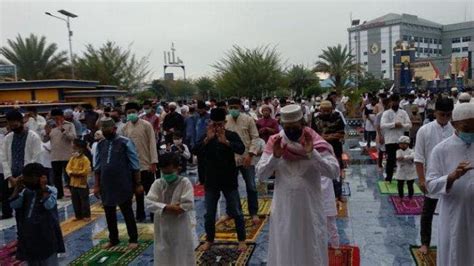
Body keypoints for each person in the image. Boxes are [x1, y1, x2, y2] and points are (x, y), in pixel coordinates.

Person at [256, 104, 340, 266]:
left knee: (311, 249)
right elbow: (261, 175)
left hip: (310, 209)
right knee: (285, 248)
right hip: (284, 210)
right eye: (287, 127)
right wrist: (275, 157)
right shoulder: (276, 142)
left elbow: (333, 172)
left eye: (295, 127)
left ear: (303, 124)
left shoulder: (314, 142)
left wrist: (312, 153)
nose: (291, 131)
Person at [426, 102, 474, 265]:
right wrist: (452, 177)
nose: (471, 132)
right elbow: (430, 185)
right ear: (454, 125)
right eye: (467, 128)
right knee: (454, 255)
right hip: (454, 214)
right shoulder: (441, 150)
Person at [193, 108, 247, 252]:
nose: (217, 127)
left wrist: (227, 142)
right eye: (214, 124)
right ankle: (209, 240)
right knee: (209, 214)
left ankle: (241, 240)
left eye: (220, 124)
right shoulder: (206, 136)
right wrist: (207, 139)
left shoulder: (231, 135)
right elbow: (194, 150)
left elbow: (241, 149)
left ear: (224, 122)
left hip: (229, 180)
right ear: (210, 123)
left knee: (236, 211)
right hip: (211, 181)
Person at [94, 117, 143, 249]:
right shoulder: (100, 144)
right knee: (109, 213)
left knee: (127, 211)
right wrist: (96, 185)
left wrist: (138, 184)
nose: (104, 132)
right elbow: (97, 167)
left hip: (123, 183)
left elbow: (135, 164)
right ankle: (113, 239)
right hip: (106, 184)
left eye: (107, 129)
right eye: (103, 130)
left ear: (114, 129)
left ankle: (133, 239)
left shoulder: (125, 142)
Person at [414, 97, 455, 255]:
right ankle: (425, 242)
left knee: (451, 211)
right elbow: (419, 158)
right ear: (435, 113)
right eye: (441, 114)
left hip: (452, 177)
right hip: (432, 177)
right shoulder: (425, 130)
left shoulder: (455, 129)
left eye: (448, 115)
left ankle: (451, 241)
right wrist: (422, 179)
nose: (445, 118)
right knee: (427, 212)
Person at [145, 153, 196, 266]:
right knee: (164, 253)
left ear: (178, 168)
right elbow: (149, 203)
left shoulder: (185, 183)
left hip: (180, 226)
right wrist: (168, 207)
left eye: (169, 173)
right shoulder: (158, 183)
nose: (166, 175)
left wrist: (164, 207)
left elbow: (187, 204)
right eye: (164, 173)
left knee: (181, 253)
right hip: (162, 226)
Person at [9, 163, 65, 266]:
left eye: (30, 179)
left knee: (49, 261)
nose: (28, 182)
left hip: (46, 235)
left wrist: (43, 188)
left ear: (41, 178)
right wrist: (17, 188)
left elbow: (49, 205)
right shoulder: (25, 191)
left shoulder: (51, 190)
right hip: (29, 236)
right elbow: (14, 204)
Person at [1, 110, 42, 220]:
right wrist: (10, 178)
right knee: (18, 211)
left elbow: (36, 159)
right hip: (13, 180)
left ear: (21, 121)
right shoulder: (8, 139)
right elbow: (4, 159)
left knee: (31, 210)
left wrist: (23, 177)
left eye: (15, 122)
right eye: (10, 123)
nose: (12, 125)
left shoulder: (33, 137)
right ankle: (22, 235)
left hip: (29, 180)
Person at [225, 98, 260, 224]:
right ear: (228, 108)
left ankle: (254, 212)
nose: (233, 109)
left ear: (240, 107)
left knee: (251, 186)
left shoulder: (248, 119)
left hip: (247, 158)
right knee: (231, 187)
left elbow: (255, 138)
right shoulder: (225, 120)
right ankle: (233, 211)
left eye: (235, 107)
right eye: (231, 107)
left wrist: (250, 155)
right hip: (230, 159)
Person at [122, 102, 158, 222]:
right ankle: (140, 215)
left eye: (133, 112)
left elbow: (152, 143)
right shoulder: (125, 128)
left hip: (146, 164)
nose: (131, 114)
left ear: (138, 112)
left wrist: (153, 162)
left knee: (150, 192)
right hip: (133, 166)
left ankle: (154, 215)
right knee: (137, 193)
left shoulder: (146, 125)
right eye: (128, 113)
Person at [311, 100, 346, 202]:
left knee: (337, 171)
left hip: (335, 148)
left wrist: (326, 137)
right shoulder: (316, 118)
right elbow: (313, 134)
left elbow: (341, 134)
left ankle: (338, 195)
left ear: (331, 109)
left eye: (328, 110)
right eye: (324, 110)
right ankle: (319, 195)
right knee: (320, 171)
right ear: (320, 110)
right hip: (320, 149)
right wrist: (325, 138)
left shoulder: (337, 117)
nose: (326, 112)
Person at [45, 108, 76, 199]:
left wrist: (63, 130)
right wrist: (46, 133)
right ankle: (59, 194)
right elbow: (45, 140)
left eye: (56, 117)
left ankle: (74, 193)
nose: (55, 120)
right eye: (53, 118)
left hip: (67, 155)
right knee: (56, 177)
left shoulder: (69, 125)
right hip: (55, 156)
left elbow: (73, 137)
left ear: (61, 117)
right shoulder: (51, 126)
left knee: (69, 176)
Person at [381, 94, 412, 182]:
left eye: (397, 101)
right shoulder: (386, 113)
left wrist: (401, 125)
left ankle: (403, 178)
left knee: (402, 160)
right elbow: (382, 125)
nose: (395, 103)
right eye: (393, 101)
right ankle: (388, 178)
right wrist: (393, 125)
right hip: (390, 140)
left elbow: (409, 125)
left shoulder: (403, 113)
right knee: (390, 160)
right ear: (390, 102)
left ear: (399, 101)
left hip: (401, 141)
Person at [66, 139, 91, 221]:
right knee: (75, 200)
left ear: (81, 149)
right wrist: (71, 173)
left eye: (76, 149)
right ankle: (78, 216)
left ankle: (86, 215)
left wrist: (78, 173)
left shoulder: (85, 159)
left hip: (82, 183)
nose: (74, 151)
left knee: (84, 200)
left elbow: (86, 170)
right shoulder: (72, 159)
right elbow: (68, 168)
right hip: (73, 183)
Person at [395, 136, 416, 200]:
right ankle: (401, 197)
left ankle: (410, 197)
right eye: (400, 144)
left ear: (408, 144)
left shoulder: (412, 151)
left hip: (410, 171)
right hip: (401, 170)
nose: (402, 145)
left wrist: (404, 157)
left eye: (404, 143)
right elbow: (398, 158)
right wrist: (407, 158)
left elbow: (413, 156)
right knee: (400, 185)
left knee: (410, 185)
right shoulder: (398, 151)